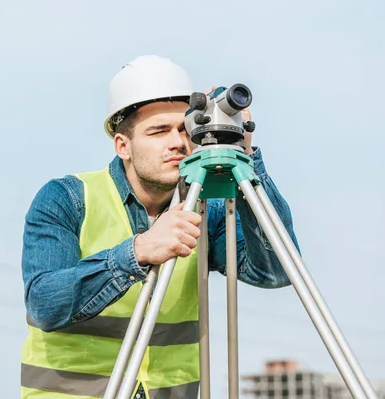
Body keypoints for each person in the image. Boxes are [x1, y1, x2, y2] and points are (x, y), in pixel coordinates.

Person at [19, 55, 300, 399]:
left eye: (184, 130)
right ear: (123, 145)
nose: (177, 143)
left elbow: (277, 271)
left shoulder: (207, 210)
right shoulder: (68, 198)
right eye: (158, 131)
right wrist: (137, 252)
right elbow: (45, 304)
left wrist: (244, 157)